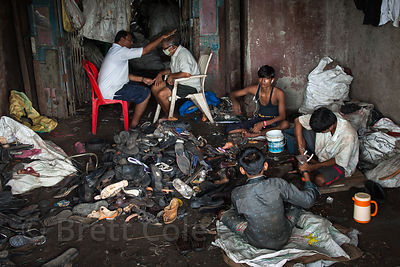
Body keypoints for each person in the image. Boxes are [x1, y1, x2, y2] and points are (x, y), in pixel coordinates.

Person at [220, 147, 318, 250]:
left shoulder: (237, 193)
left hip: (256, 241)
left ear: (242, 170)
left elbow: (240, 213)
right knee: (296, 203)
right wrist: (306, 175)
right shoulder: (278, 183)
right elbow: (308, 201)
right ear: (265, 166)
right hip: (284, 236)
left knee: (223, 214)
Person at [98, 29, 176, 128]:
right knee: (145, 93)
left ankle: (124, 115)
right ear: (122, 40)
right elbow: (146, 50)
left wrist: (143, 79)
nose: (132, 43)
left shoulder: (114, 50)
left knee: (133, 84)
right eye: (129, 40)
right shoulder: (120, 51)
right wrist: (161, 38)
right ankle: (134, 125)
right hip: (110, 91)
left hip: (107, 87)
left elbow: (124, 75)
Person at [294, 107, 359, 187]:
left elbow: (340, 160)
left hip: (340, 163)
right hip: (322, 153)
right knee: (304, 129)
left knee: (319, 180)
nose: (321, 132)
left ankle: (316, 166)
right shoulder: (324, 117)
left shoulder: (348, 136)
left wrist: (314, 167)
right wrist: (302, 155)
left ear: (330, 127)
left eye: (322, 131)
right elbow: (298, 121)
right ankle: (314, 163)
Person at [226, 65, 289, 137]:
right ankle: (251, 132)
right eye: (261, 78)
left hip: (273, 121)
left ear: (272, 80)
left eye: (266, 79)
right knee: (229, 129)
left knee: (285, 124)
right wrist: (234, 102)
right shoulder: (255, 89)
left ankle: (255, 134)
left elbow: (282, 116)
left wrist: (263, 124)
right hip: (259, 119)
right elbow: (232, 94)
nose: (263, 81)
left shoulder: (279, 93)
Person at [151, 34, 201, 120]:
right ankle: (168, 114)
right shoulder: (175, 54)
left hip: (189, 85)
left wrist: (172, 76)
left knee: (161, 94)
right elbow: (172, 70)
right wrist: (161, 74)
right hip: (180, 82)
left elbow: (186, 74)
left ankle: (171, 116)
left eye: (165, 49)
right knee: (155, 88)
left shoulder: (183, 55)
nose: (164, 51)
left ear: (172, 47)